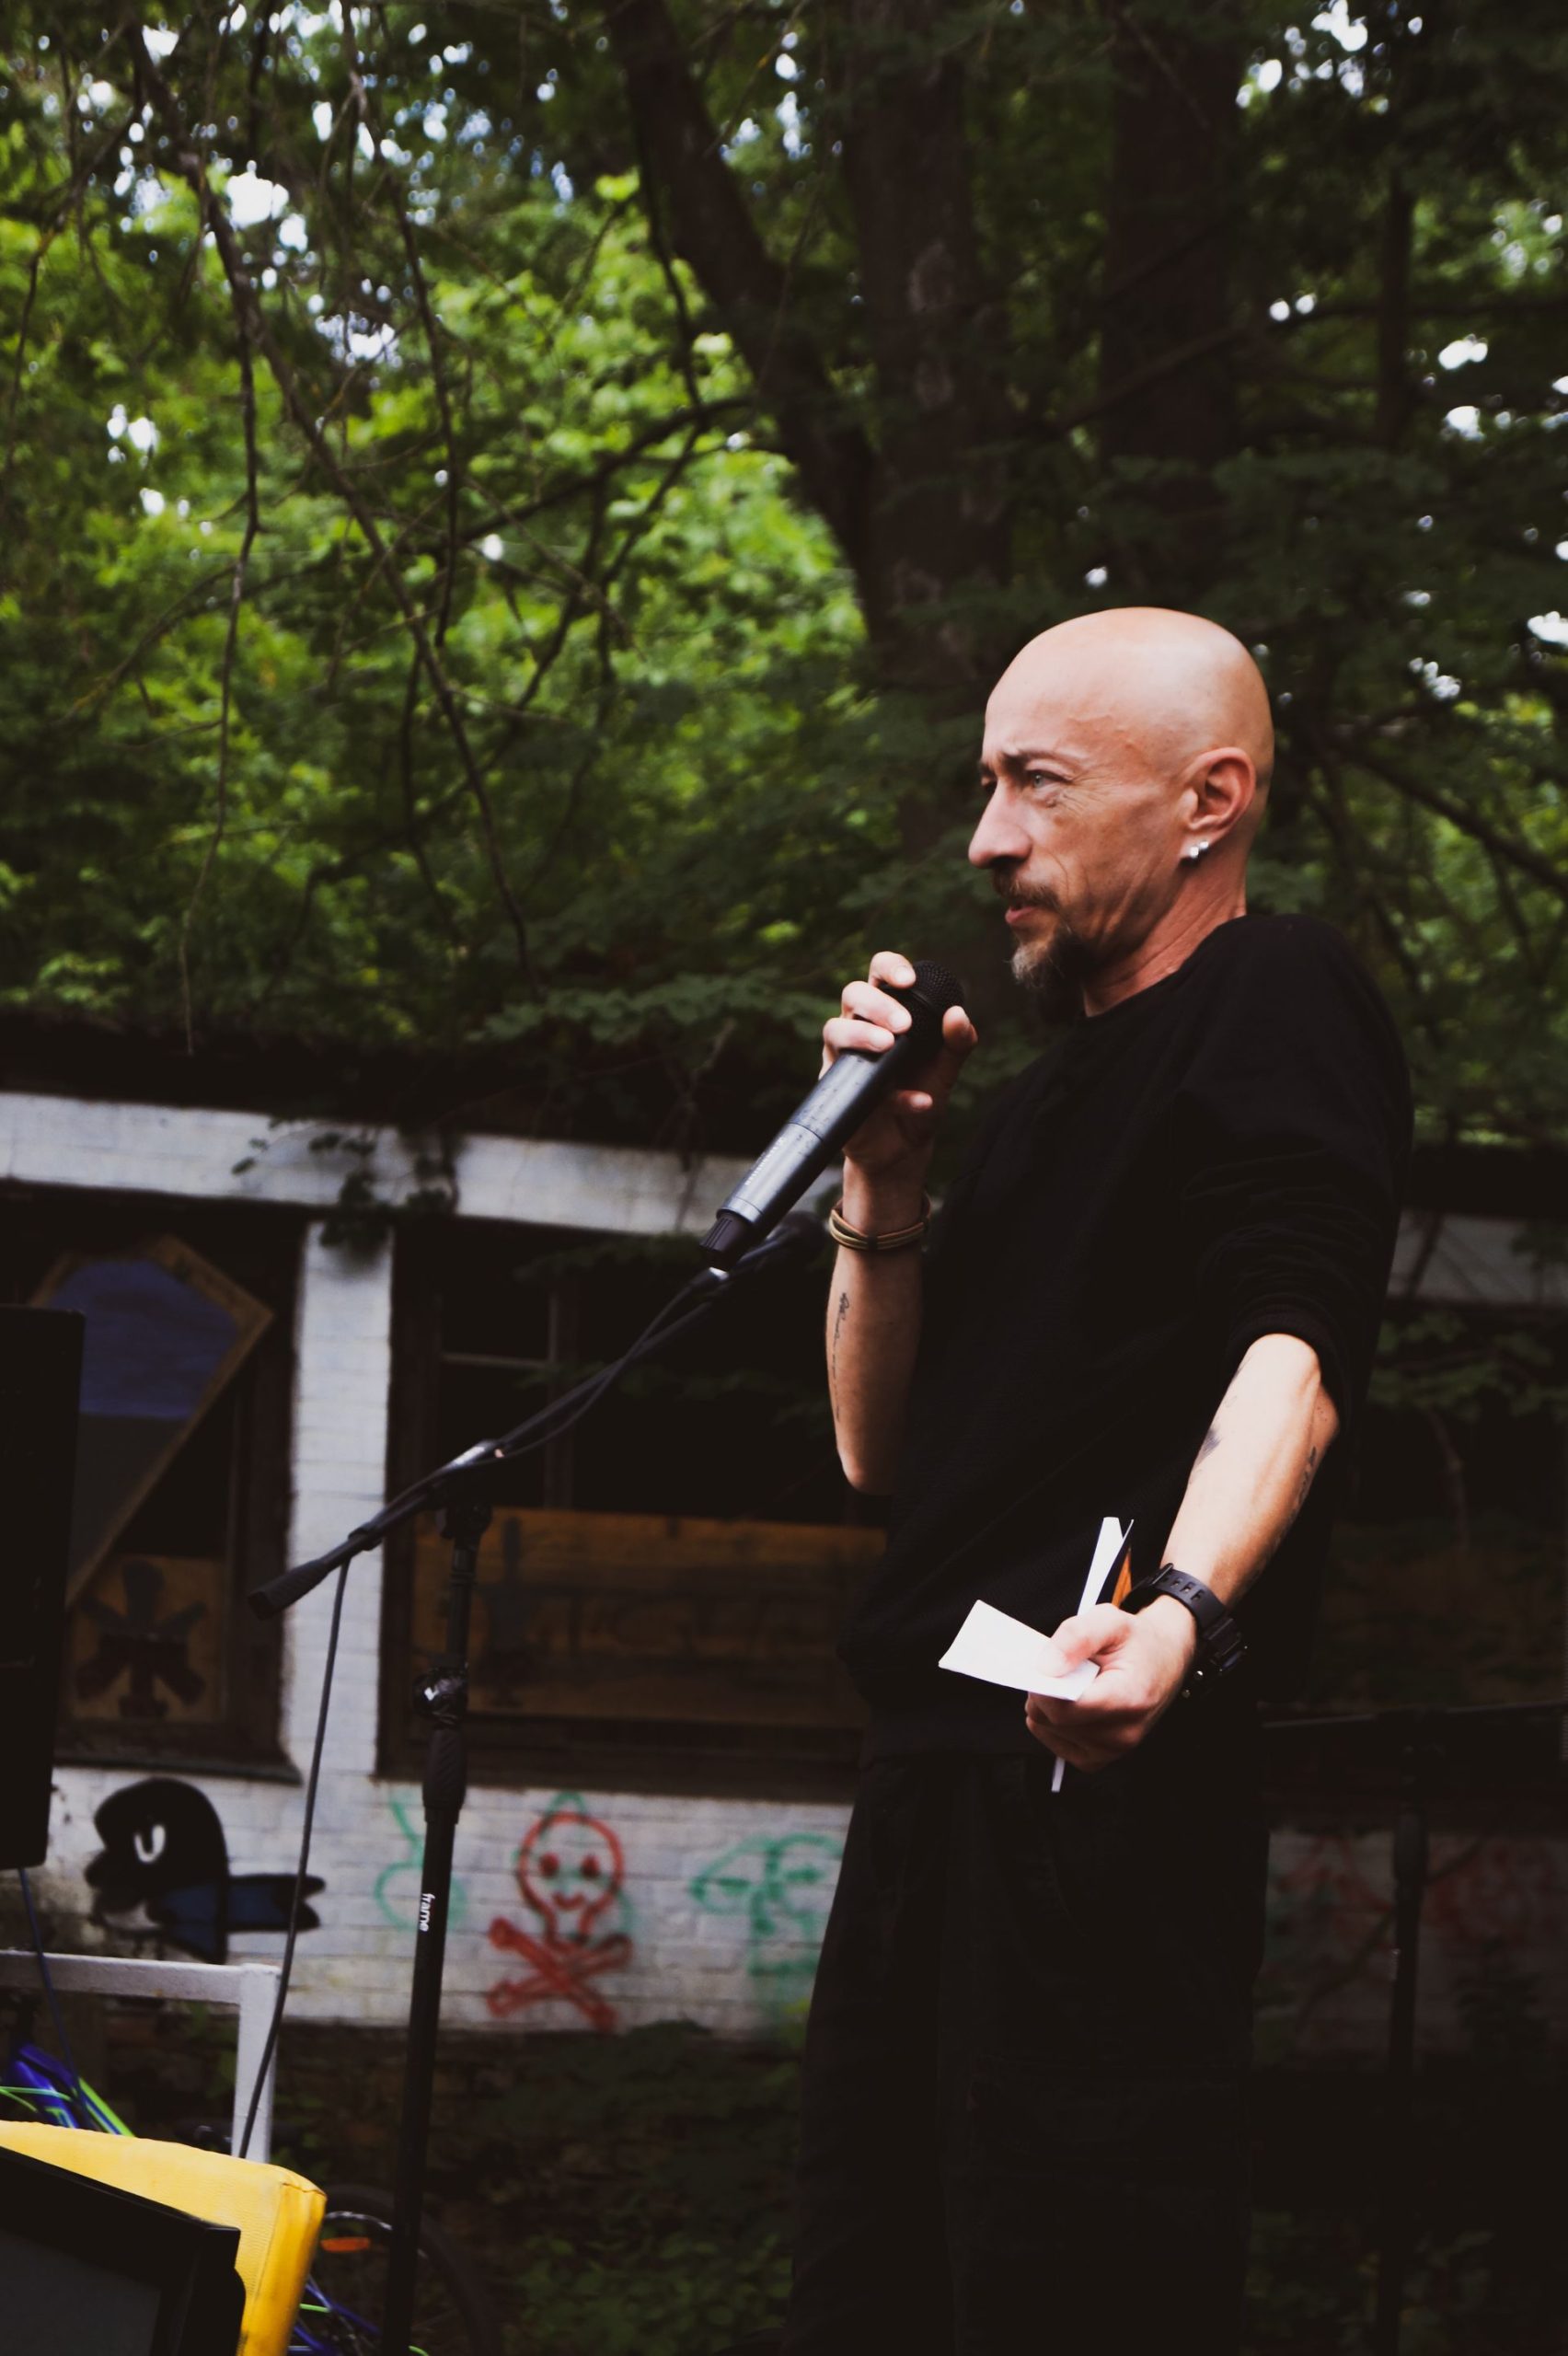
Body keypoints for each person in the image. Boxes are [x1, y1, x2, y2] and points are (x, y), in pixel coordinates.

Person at [783, 606, 1411, 2354]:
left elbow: (1298, 1349)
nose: (989, 838)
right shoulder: (1047, 1095)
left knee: (1066, 2293)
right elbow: (878, 1452)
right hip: (926, 1779)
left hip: (1090, 1785)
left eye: (1039, 785)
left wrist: (1183, 1618)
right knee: (869, 2297)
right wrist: (884, 1180)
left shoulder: (1276, 995)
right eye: (987, 784)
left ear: (1208, 802)